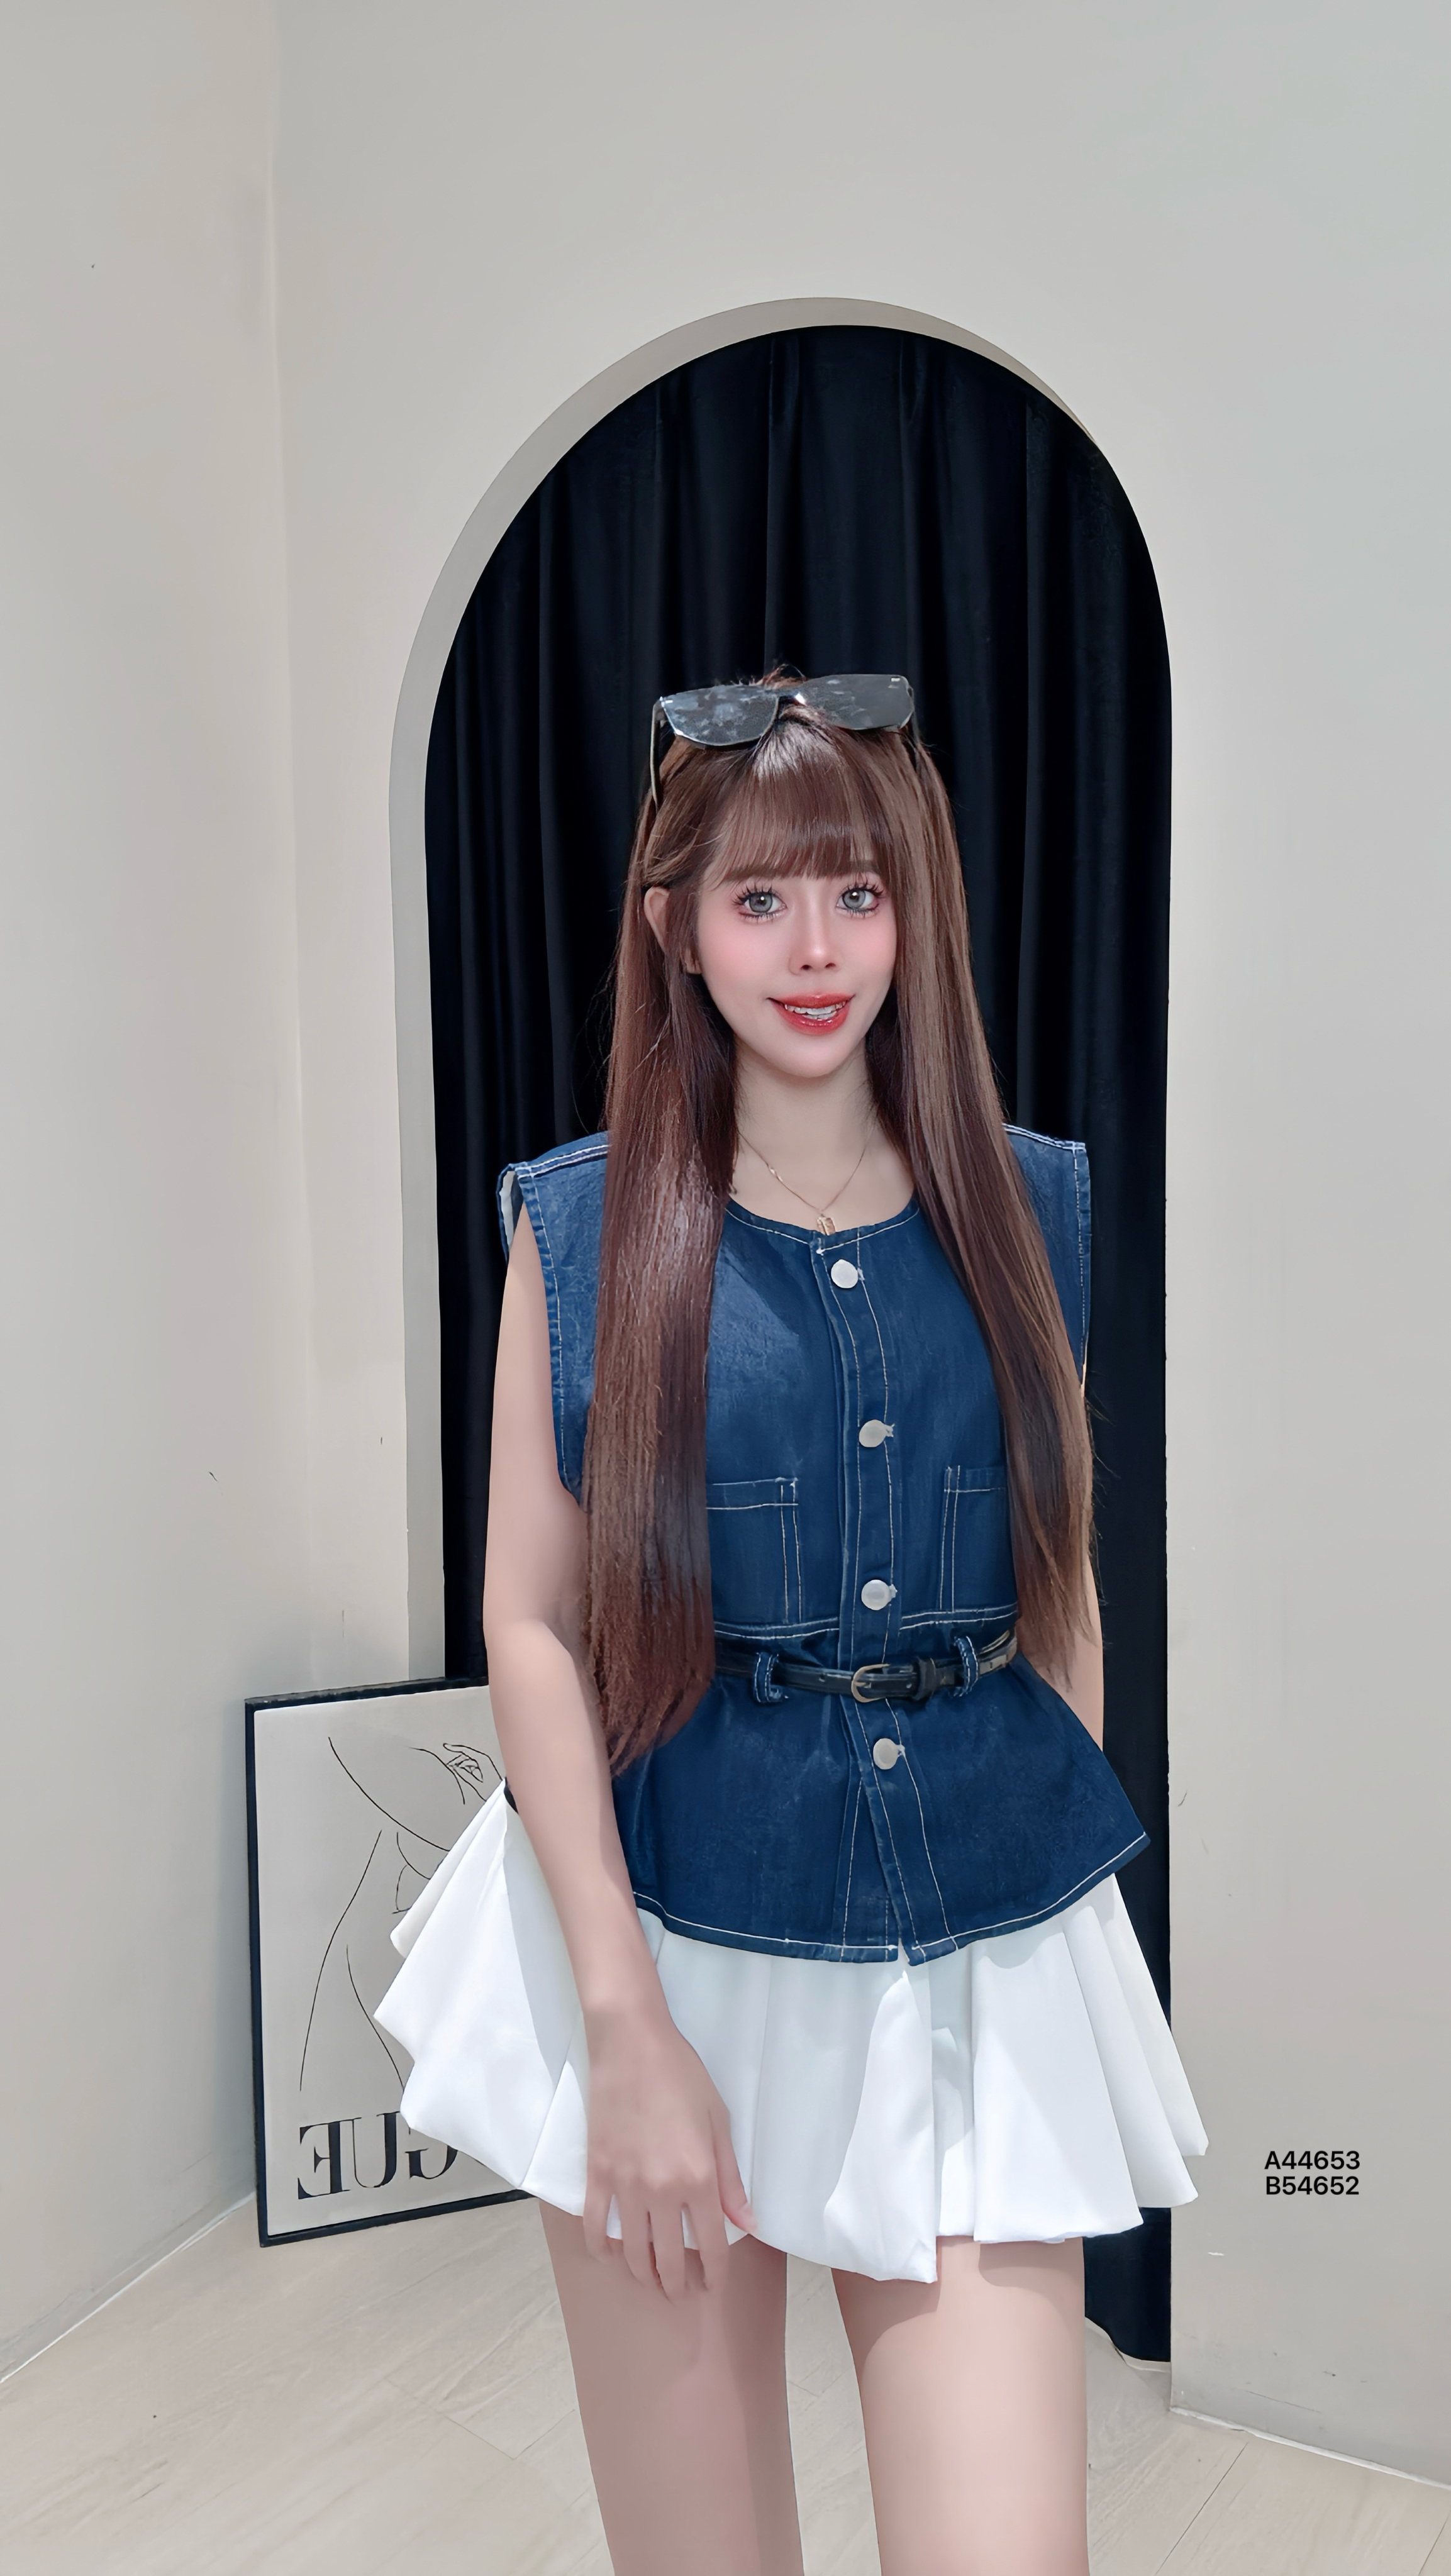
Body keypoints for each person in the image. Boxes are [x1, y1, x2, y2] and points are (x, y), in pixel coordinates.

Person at [377, 673, 1206, 2576]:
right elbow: (528, 1621)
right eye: (759, 900)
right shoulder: (584, 1231)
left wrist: (1041, 1882)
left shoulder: (1027, 1205)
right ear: (673, 927)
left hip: (972, 1950)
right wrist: (621, 2027)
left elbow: (1059, 1578)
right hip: (661, 1927)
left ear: (915, 910)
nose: (815, 949)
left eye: (854, 892)